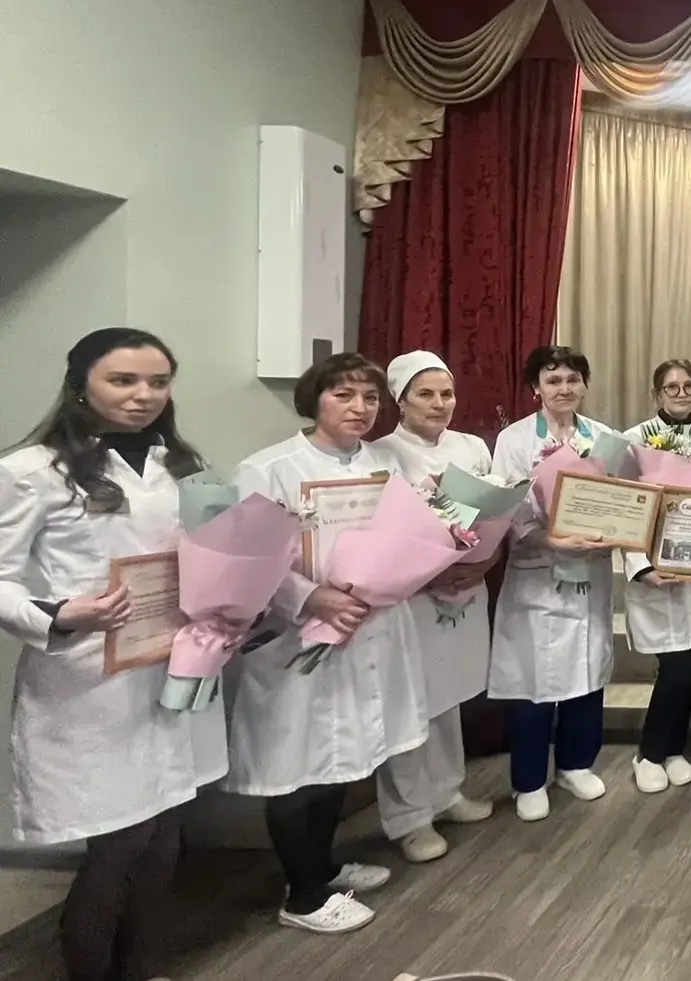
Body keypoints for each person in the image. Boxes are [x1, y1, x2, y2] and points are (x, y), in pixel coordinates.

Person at [0, 329, 226, 979]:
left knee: (165, 832)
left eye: (158, 382)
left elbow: (225, 552)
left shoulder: (188, 465)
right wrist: (61, 614)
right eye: (122, 380)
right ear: (80, 386)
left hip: (177, 668)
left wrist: (236, 601)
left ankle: (143, 967)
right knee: (120, 841)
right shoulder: (29, 471)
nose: (143, 395)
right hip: (89, 683)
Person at [226, 352, 426, 933]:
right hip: (298, 638)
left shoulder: (387, 462)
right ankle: (304, 897)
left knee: (344, 755)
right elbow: (245, 558)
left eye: (370, 397)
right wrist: (308, 597)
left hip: (371, 628)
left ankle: (323, 865)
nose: (360, 408)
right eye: (344, 395)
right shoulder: (268, 469)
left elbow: (413, 534)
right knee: (297, 761)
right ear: (314, 399)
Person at [369, 351, 499, 865]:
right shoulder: (380, 454)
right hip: (413, 596)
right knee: (411, 703)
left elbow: (497, 509)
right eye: (425, 394)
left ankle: (447, 792)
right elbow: (381, 530)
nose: (439, 403)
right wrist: (426, 568)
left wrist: (486, 562)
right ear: (400, 401)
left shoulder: (471, 447)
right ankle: (409, 816)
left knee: (449, 696)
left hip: (465, 586)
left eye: (446, 393)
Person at [488, 345, 616, 823]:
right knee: (532, 680)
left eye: (573, 379)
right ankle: (528, 779)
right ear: (535, 388)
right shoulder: (514, 439)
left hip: (589, 571)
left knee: (587, 670)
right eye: (553, 379)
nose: (564, 388)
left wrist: (617, 530)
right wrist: (551, 539)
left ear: (584, 385)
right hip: (536, 574)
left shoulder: (603, 438)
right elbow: (507, 507)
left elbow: (622, 498)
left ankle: (576, 764)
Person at [626, 360, 691, 796]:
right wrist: (640, 566)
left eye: (688, 386)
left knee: (689, 662)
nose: (681, 393)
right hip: (657, 570)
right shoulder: (634, 441)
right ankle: (648, 754)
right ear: (657, 394)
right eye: (671, 387)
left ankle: (674, 749)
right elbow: (624, 508)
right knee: (674, 666)